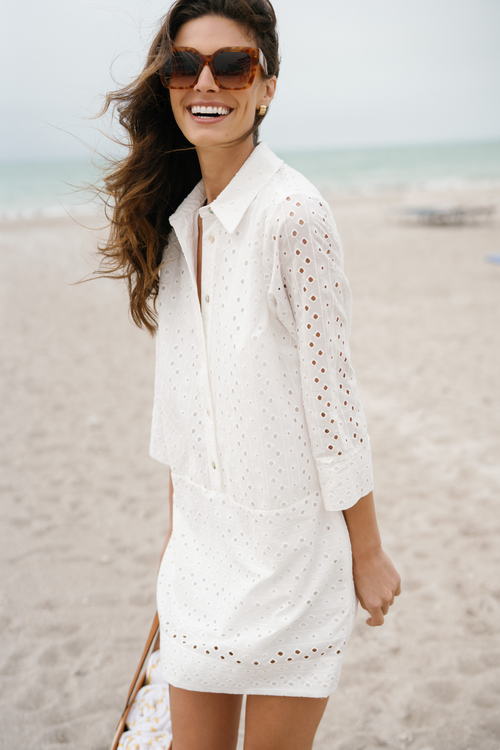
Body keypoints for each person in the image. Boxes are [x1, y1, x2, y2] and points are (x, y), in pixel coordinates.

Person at [98, 1, 401, 748]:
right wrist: (176, 547)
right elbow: (186, 408)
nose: (207, 82)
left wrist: (367, 552)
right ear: (169, 83)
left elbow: (334, 402)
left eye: (232, 65)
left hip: (292, 563)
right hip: (201, 558)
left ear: (266, 88)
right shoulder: (178, 223)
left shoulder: (295, 215)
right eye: (186, 65)